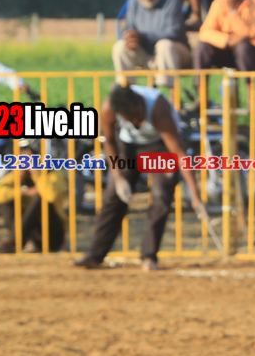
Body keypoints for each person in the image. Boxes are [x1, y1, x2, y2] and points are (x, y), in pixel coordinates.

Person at [73, 84, 206, 271]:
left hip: (161, 146)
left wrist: (195, 196)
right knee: (113, 196)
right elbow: (109, 141)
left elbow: (179, 153)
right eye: (130, 118)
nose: (136, 121)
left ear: (141, 103)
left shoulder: (159, 109)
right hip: (128, 147)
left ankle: (149, 257)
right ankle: (94, 255)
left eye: (138, 115)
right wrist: (118, 177)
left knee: (161, 196)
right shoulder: (109, 108)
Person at [113, 0, 191, 87]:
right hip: (145, 53)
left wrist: (142, 37)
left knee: (164, 45)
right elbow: (129, 28)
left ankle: (171, 94)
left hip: (174, 53)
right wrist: (131, 38)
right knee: (120, 47)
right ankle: (125, 91)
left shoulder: (171, 2)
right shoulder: (133, 2)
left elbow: (174, 33)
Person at [0, 139, 67, 253]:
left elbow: (50, 196)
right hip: (28, 234)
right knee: (5, 201)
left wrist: (35, 172)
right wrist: (23, 190)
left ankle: (11, 240)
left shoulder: (52, 173)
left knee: (42, 199)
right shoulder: (16, 175)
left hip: (52, 234)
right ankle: (27, 242)